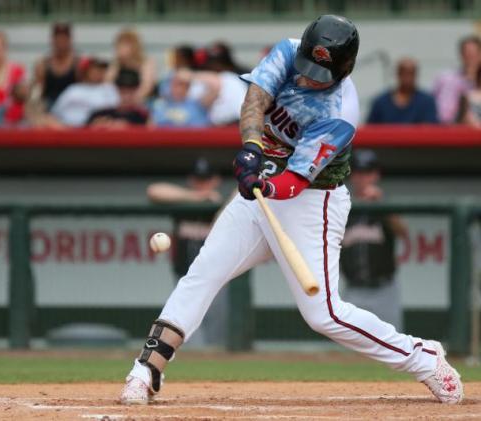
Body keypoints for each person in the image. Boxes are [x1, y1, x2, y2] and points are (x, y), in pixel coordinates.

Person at [120, 15, 462, 406]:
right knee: (202, 272)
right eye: (307, 68)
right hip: (262, 188)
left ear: (344, 68)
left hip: (312, 200)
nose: (307, 79)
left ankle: (424, 358)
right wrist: (251, 146)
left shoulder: (340, 113)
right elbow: (255, 100)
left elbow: (295, 181)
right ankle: (145, 370)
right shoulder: (287, 50)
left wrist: (263, 184)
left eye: (320, 73)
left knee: (324, 314)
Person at [146, 158, 226, 347]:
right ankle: (193, 374)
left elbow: (240, 193)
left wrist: (218, 204)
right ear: (191, 180)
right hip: (185, 278)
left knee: (219, 339)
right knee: (188, 335)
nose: (202, 184)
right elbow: (154, 191)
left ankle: (220, 373)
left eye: (206, 180)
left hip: (218, 280)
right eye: (198, 179)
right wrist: (196, 197)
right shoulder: (183, 202)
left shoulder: (224, 207)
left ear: (216, 180)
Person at [341, 150, 408, 330]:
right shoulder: (341, 205)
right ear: (352, 175)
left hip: (384, 290)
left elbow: (402, 232)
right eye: (359, 172)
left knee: (394, 348)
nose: (363, 178)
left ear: (376, 175)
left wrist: (381, 204)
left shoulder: (385, 205)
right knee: (349, 352)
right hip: (353, 290)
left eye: (368, 173)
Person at [47, 57, 118, 128]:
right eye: (94, 69)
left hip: (99, 131)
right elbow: (55, 112)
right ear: (85, 71)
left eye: (101, 69)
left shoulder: (109, 88)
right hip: (70, 130)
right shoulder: (73, 89)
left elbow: (116, 110)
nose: (98, 72)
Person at [367, 58, 438, 124]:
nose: (408, 78)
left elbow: (432, 130)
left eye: (411, 73)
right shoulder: (381, 102)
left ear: (416, 75)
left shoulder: (427, 102)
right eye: (404, 73)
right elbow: (369, 130)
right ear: (398, 74)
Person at [433, 35, 481, 124]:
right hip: (449, 131)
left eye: (473, 54)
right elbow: (440, 112)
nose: (470, 57)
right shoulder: (446, 79)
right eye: (467, 53)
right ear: (461, 54)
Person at [32, 23, 79, 110]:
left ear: (70, 40)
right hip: (50, 107)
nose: (61, 42)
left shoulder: (78, 64)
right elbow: (37, 92)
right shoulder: (43, 65)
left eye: (64, 38)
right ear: (52, 40)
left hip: (72, 107)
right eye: (58, 38)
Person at [151, 69, 217, 128]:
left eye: (185, 85)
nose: (180, 89)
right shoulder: (159, 105)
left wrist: (192, 76)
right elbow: (151, 128)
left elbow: (216, 86)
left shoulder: (198, 104)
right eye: (176, 84)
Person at [105, 29, 157, 102]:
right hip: (119, 102)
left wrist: (132, 100)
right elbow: (107, 84)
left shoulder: (146, 62)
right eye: (119, 45)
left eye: (125, 44)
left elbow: (146, 87)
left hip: (142, 101)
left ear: (134, 46)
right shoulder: (116, 63)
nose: (120, 48)